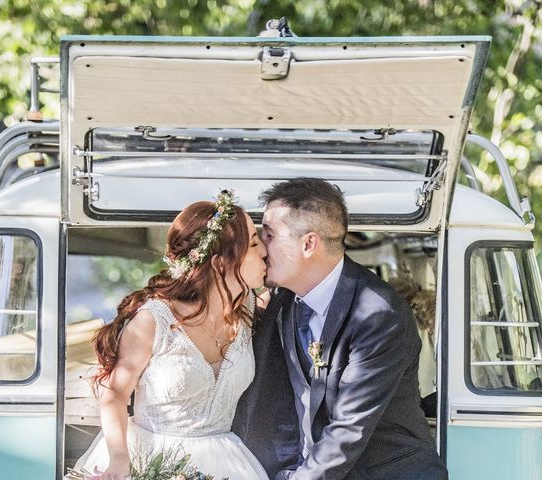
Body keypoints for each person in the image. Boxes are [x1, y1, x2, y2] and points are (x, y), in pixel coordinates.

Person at [234, 178, 448, 480]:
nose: (262, 249)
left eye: (269, 235)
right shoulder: (283, 300)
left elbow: (348, 429)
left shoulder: (377, 315)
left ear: (309, 244)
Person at [68, 191, 270, 480]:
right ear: (219, 263)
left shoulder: (248, 310)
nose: (264, 250)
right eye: (253, 243)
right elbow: (114, 393)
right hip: (151, 459)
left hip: (227, 463)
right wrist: (119, 458)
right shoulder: (154, 319)